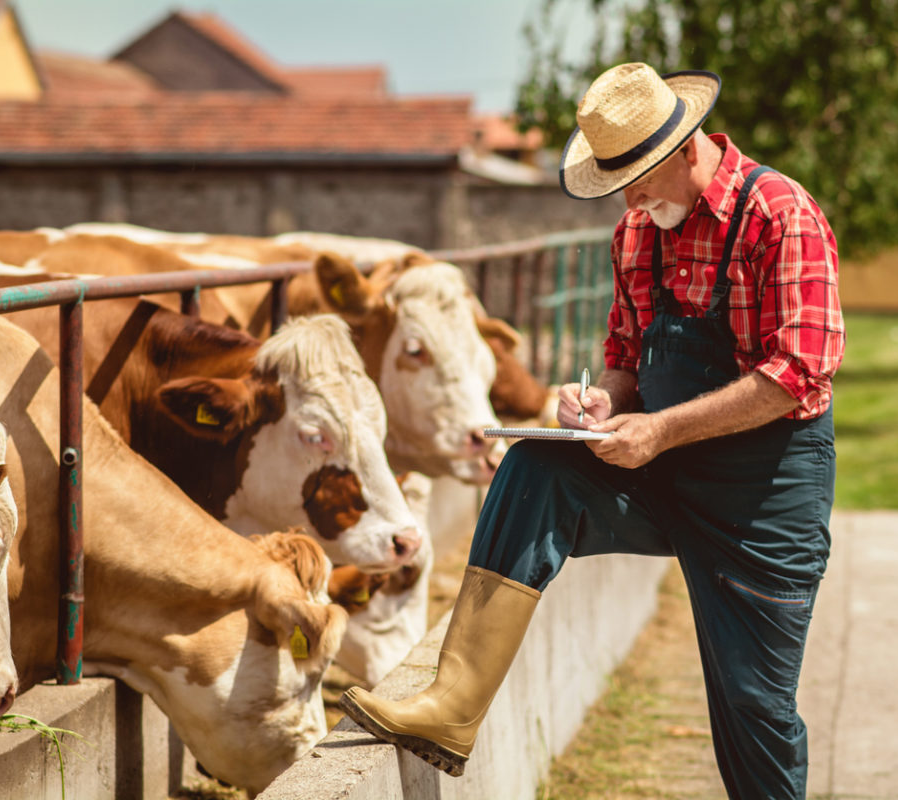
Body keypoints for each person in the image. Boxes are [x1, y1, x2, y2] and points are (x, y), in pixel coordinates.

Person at [341, 61, 844, 799]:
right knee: (534, 469)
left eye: (638, 177)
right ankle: (451, 706)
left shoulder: (780, 214)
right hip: (666, 474)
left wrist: (659, 431)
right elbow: (624, 360)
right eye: (618, 183)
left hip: (764, 498)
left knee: (752, 708)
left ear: (687, 147)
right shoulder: (638, 232)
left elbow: (796, 374)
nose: (630, 199)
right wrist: (601, 403)